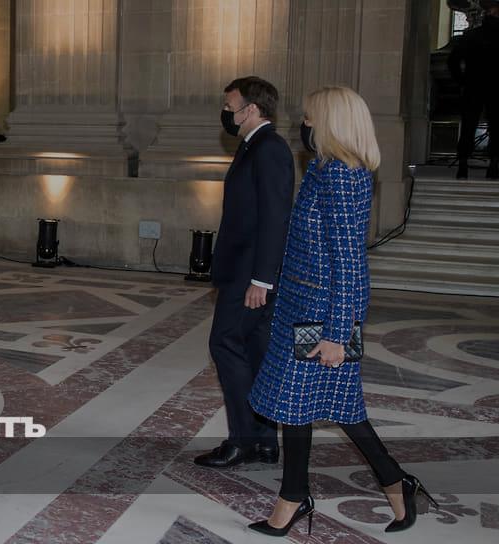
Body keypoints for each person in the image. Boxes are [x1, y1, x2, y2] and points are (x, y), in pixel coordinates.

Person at [248, 86, 437, 537]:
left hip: (323, 312)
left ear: (330, 122)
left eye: (310, 117)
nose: (304, 124)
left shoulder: (343, 175)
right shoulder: (323, 168)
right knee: (332, 406)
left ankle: (295, 497)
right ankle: (393, 482)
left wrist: (337, 332)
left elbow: (350, 261)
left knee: (300, 404)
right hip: (302, 305)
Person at [195, 76, 294, 469]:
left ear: (251, 108)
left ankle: (243, 440)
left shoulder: (269, 148)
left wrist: (261, 280)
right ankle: (265, 441)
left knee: (225, 344)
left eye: (229, 105)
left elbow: (275, 217)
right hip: (245, 270)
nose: (225, 112)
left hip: (250, 275)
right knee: (255, 353)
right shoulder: (253, 145)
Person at [447, 0, 499, 179]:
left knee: (468, 126)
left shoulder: (471, 36)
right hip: (495, 88)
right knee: (496, 126)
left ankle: (463, 165)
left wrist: (462, 81)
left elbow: (453, 61)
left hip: (473, 87)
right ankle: (494, 165)